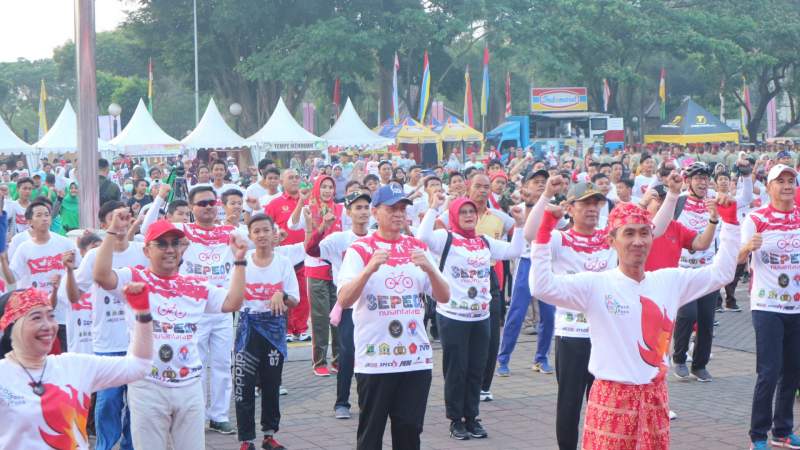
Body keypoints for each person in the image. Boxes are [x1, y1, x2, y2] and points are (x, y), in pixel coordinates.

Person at [531, 195, 740, 449]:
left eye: (644, 233)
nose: (638, 241)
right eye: (628, 234)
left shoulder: (669, 281)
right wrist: (544, 231)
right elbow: (542, 286)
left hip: (655, 397)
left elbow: (722, 273)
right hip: (611, 399)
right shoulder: (596, 284)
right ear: (612, 241)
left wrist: (729, 223)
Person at [93, 212, 247, 449]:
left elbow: (233, 302)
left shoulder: (195, 285)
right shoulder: (135, 278)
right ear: (147, 251)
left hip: (189, 386)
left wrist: (239, 260)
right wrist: (112, 231)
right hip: (147, 385)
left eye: (175, 243)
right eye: (161, 244)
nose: (169, 250)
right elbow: (101, 275)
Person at [337, 182, 450, 450]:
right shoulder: (360, 249)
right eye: (392, 209)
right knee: (371, 433)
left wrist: (431, 270)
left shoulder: (416, 247)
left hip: (414, 359)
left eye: (402, 209)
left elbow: (444, 296)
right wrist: (368, 270)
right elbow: (344, 299)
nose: (399, 214)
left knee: (409, 432)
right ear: (376, 212)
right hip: (376, 360)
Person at [417, 192, 525, 440]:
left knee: (477, 368)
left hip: (481, 316)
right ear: (455, 215)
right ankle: (456, 420)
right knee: (457, 369)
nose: (468, 216)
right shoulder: (445, 238)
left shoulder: (484, 241)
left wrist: (519, 225)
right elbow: (421, 237)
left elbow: (515, 250)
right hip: (452, 315)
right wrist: (434, 207)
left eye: (471, 212)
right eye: (463, 212)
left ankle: (472, 417)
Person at [0, 284, 153, 450]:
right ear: (11, 328)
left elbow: (139, 365)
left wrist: (142, 314)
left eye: (51, 316)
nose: (48, 326)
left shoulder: (75, 366)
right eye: (36, 318)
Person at [142, 184, 243, 434]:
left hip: (221, 306)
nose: (208, 208)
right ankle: (195, 413)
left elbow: (260, 242)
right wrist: (160, 199)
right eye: (202, 204)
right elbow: (147, 230)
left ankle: (219, 415)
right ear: (191, 208)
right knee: (194, 364)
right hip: (191, 309)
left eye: (211, 203)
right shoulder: (182, 231)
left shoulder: (230, 231)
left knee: (222, 364)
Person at [74, 201, 149, 450]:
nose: (122, 222)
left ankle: (130, 445)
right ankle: (104, 446)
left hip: (137, 343)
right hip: (107, 342)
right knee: (108, 403)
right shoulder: (95, 256)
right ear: (105, 223)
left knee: (137, 404)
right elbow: (76, 293)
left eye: (126, 216)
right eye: (115, 217)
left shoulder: (143, 251)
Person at [744, 164, 800, 450]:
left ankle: (782, 431)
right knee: (769, 370)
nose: (787, 186)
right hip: (766, 305)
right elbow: (736, 258)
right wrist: (747, 248)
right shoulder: (756, 218)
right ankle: (758, 435)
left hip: (796, 306)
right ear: (768, 186)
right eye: (781, 181)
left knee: (793, 370)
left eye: (791, 180)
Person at [235, 213, 300, 450]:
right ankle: (246, 439)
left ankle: (269, 435)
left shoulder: (283, 262)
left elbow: (294, 299)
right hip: (247, 329)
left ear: (275, 234)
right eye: (257, 231)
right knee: (244, 385)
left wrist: (281, 295)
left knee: (272, 386)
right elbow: (231, 295)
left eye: (266, 230)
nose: (262, 235)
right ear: (250, 236)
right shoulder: (243, 262)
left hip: (274, 331)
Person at [306, 191, 373, 419]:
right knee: (347, 354)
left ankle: (368, 400)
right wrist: (322, 228)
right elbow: (311, 250)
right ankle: (342, 402)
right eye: (358, 207)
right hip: (347, 306)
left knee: (370, 354)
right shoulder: (338, 239)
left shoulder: (377, 236)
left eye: (366, 207)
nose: (363, 212)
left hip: (375, 307)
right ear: (348, 212)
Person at [287, 175, 343, 375]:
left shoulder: (340, 210)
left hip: (337, 271)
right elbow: (292, 225)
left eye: (330, 187)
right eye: (324, 187)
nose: (327, 190)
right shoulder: (309, 208)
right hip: (316, 269)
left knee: (339, 318)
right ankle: (319, 362)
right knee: (320, 319)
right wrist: (302, 200)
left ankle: (338, 360)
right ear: (317, 188)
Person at [7, 199, 79, 352]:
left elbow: (79, 271)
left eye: (47, 214)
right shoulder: (24, 248)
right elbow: (12, 278)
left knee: (61, 357)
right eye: (39, 215)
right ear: (30, 222)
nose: (44, 218)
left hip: (60, 314)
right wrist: (2, 257)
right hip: (33, 313)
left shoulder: (65, 243)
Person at [497, 170, 548, 377]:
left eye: (544, 182)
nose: (541, 185)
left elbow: (565, 226)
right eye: (536, 182)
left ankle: (541, 358)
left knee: (549, 314)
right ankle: (503, 358)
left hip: (545, 264)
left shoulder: (551, 209)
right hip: (525, 263)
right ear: (525, 186)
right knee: (517, 313)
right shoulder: (517, 208)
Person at [672, 162, 720, 382]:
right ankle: (679, 358)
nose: (703, 182)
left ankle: (700, 365)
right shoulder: (678, 203)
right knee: (687, 314)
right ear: (688, 181)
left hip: (708, 271)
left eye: (705, 178)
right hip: (683, 271)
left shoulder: (714, 201)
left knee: (706, 320)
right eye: (697, 178)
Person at [265, 169, 311, 342]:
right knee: (283, 293)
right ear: (282, 182)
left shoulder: (307, 202)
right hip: (282, 256)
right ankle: (288, 329)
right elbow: (266, 226)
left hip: (303, 253)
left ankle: (301, 328)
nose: (294, 180)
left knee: (302, 293)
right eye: (290, 177)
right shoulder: (274, 204)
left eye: (297, 177)